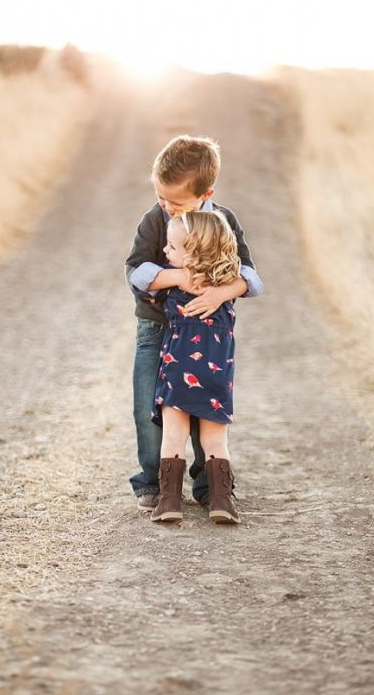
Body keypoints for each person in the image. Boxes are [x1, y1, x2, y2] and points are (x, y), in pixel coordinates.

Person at [125, 135, 264, 511]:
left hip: (206, 332)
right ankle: (154, 483)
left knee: (205, 406)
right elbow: (135, 271)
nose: (167, 207)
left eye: (176, 201)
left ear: (206, 193)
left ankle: (209, 487)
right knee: (148, 408)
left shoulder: (223, 221)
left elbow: (250, 275)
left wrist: (222, 292)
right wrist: (178, 278)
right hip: (156, 330)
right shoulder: (155, 221)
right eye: (161, 197)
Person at [146, 210, 245, 523]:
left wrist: (170, 279)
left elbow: (141, 280)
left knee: (174, 435)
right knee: (215, 440)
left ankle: (169, 502)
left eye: (172, 248)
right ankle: (222, 501)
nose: (165, 252)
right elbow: (252, 282)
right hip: (217, 372)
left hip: (178, 370)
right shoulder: (226, 288)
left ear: (192, 254)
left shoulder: (172, 286)